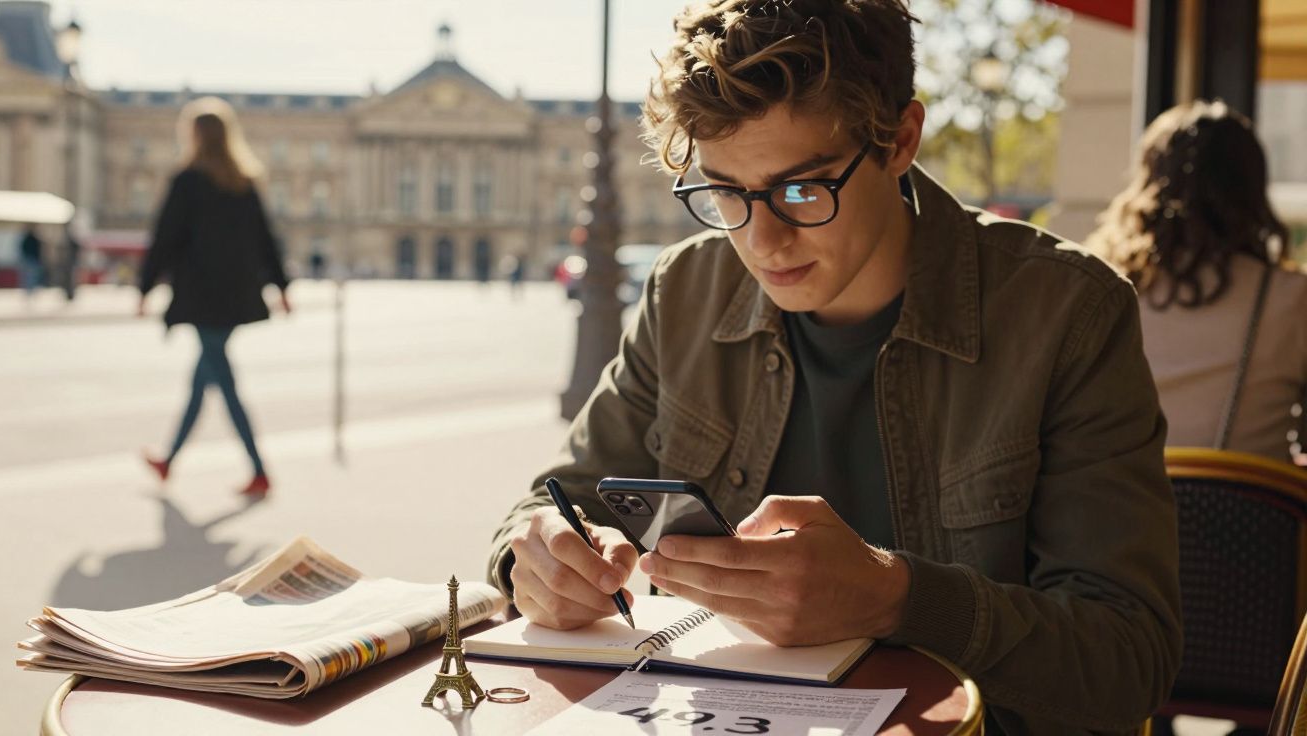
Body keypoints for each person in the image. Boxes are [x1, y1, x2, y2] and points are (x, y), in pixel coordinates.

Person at [486, 2, 1182, 733]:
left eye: (801, 190)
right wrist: (537, 558)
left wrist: (897, 598)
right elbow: (554, 504)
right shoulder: (685, 289)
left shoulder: (1069, 312)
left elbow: (1130, 659)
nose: (762, 241)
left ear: (900, 140)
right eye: (725, 192)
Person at [1087, 100, 1307, 463]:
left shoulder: (1104, 289)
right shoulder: (1291, 298)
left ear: (1148, 185)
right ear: (1253, 191)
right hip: (1250, 498)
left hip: (1125, 497)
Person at [137, 96, 290, 497]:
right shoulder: (244, 181)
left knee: (223, 382)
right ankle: (168, 461)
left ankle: (259, 470)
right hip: (237, 295)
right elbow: (266, 239)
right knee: (203, 378)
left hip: (202, 296)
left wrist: (145, 286)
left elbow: (165, 238)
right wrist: (282, 286)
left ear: (193, 135)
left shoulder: (187, 180)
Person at [18, 224, 43, 299]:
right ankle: (30, 290)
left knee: (30, 276)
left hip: (31, 260)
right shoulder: (31, 239)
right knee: (30, 276)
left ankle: (30, 290)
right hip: (31, 260)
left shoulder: (30, 239)